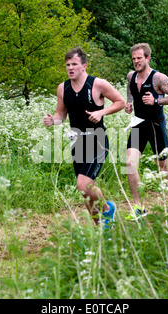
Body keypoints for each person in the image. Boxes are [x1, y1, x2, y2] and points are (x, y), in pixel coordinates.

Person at [43, 47, 125, 230]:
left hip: (97, 139)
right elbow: (60, 115)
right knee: (86, 190)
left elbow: (120, 101)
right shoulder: (62, 88)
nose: (70, 68)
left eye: (74, 64)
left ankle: (106, 212)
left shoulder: (97, 84)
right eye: (67, 65)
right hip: (77, 142)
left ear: (84, 66)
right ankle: (101, 226)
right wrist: (52, 121)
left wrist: (101, 112)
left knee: (83, 184)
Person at [124, 43, 168, 220]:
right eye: (134, 59)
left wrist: (156, 101)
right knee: (129, 164)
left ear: (147, 58)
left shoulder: (158, 78)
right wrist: (129, 103)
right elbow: (130, 90)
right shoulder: (131, 76)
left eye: (139, 58)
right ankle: (139, 207)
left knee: (162, 167)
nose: (136, 62)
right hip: (138, 124)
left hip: (156, 126)